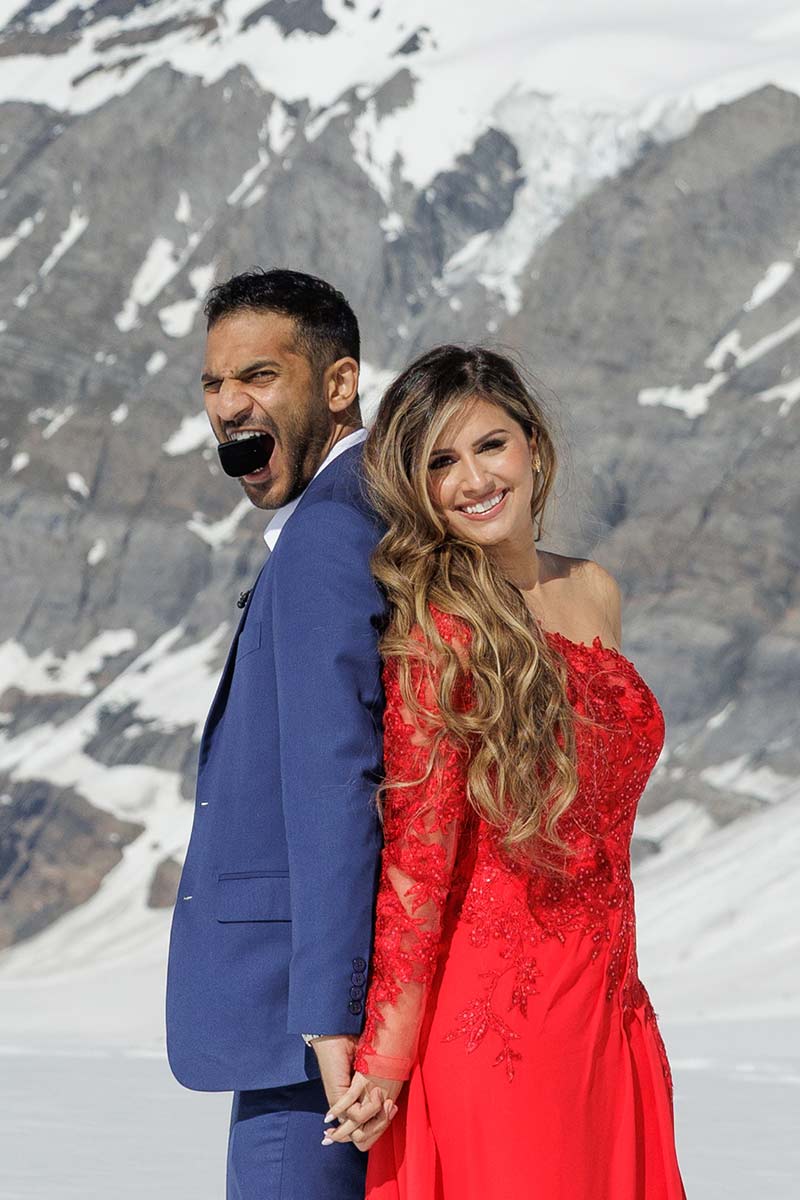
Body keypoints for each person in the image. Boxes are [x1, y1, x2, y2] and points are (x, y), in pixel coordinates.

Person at [325, 345, 687, 1199]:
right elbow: (418, 861)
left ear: (533, 445)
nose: (473, 479)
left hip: (612, 1010)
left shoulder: (597, 591)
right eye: (440, 462)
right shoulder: (439, 631)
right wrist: (385, 1059)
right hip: (500, 1033)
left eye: (490, 445)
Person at [165, 268, 394, 1200]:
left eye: (257, 376)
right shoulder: (361, 514)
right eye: (213, 385)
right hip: (318, 1019)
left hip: (304, 1038)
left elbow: (338, 783)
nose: (229, 406)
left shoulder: (328, 538)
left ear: (338, 385)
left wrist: (329, 1017)